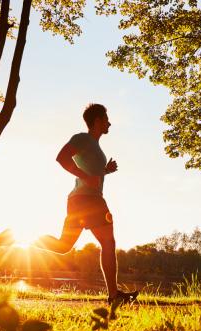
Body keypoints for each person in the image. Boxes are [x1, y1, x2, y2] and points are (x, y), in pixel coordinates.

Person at [33, 103, 137, 304]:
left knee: (64, 246)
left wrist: (105, 170)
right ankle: (114, 295)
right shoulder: (83, 138)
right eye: (106, 119)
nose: (109, 123)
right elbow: (61, 158)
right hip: (89, 200)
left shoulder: (95, 146)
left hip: (80, 200)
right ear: (97, 121)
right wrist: (86, 177)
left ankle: (18, 241)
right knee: (108, 243)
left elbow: (92, 173)